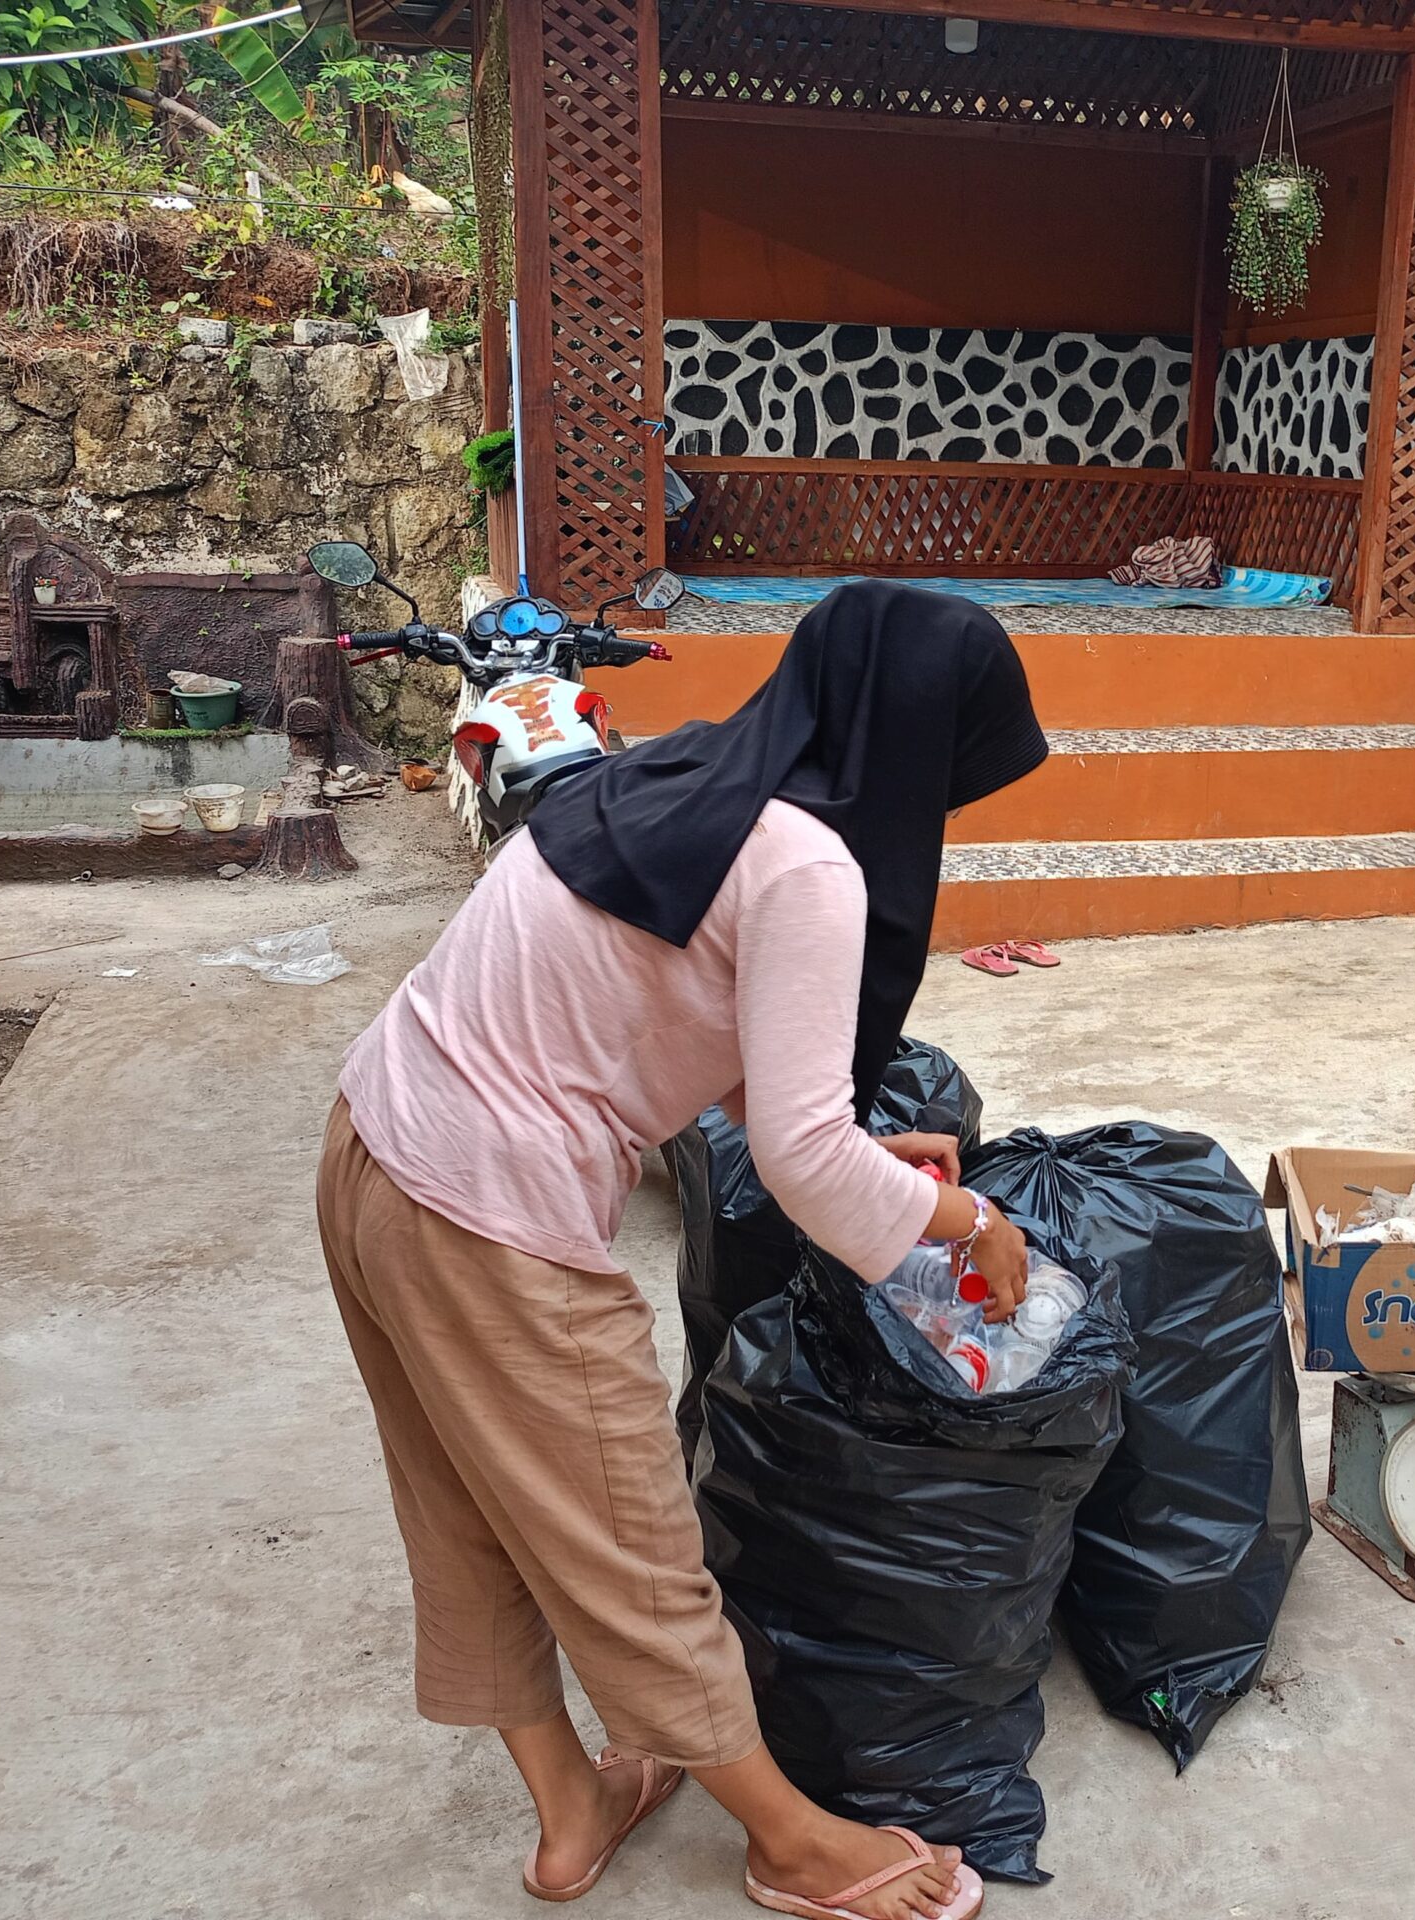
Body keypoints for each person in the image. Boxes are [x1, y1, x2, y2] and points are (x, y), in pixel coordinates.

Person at [316, 581, 1050, 1920]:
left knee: (468, 1509)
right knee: (632, 1540)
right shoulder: (812, 868)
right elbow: (801, 1168)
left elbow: (666, 1020)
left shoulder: (676, 772)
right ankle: (794, 1845)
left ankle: (573, 1816)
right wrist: (974, 1224)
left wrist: (870, 1158)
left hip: (372, 1143)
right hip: (486, 1210)